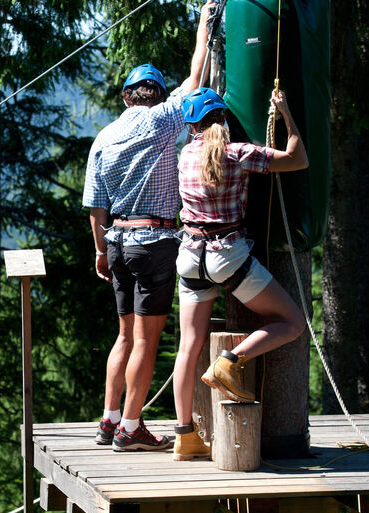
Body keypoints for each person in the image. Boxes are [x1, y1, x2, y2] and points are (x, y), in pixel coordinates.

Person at [83, 3, 213, 451]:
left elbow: (95, 207)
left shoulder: (103, 137)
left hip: (116, 243)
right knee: (146, 338)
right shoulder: (163, 121)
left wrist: (100, 251)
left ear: (126, 97)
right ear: (158, 95)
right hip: (154, 241)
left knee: (123, 334)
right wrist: (203, 26)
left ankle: (109, 418)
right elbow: (196, 77)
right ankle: (131, 428)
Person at [170, 87, 307, 460]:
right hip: (226, 255)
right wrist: (286, 113)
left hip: (190, 256)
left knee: (187, 346)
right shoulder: (237, 154)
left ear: (192, 126)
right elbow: (297, 159)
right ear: (223, 119)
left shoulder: (184, 156)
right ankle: (230, 362)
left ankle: (185, 436)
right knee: (293, 322)